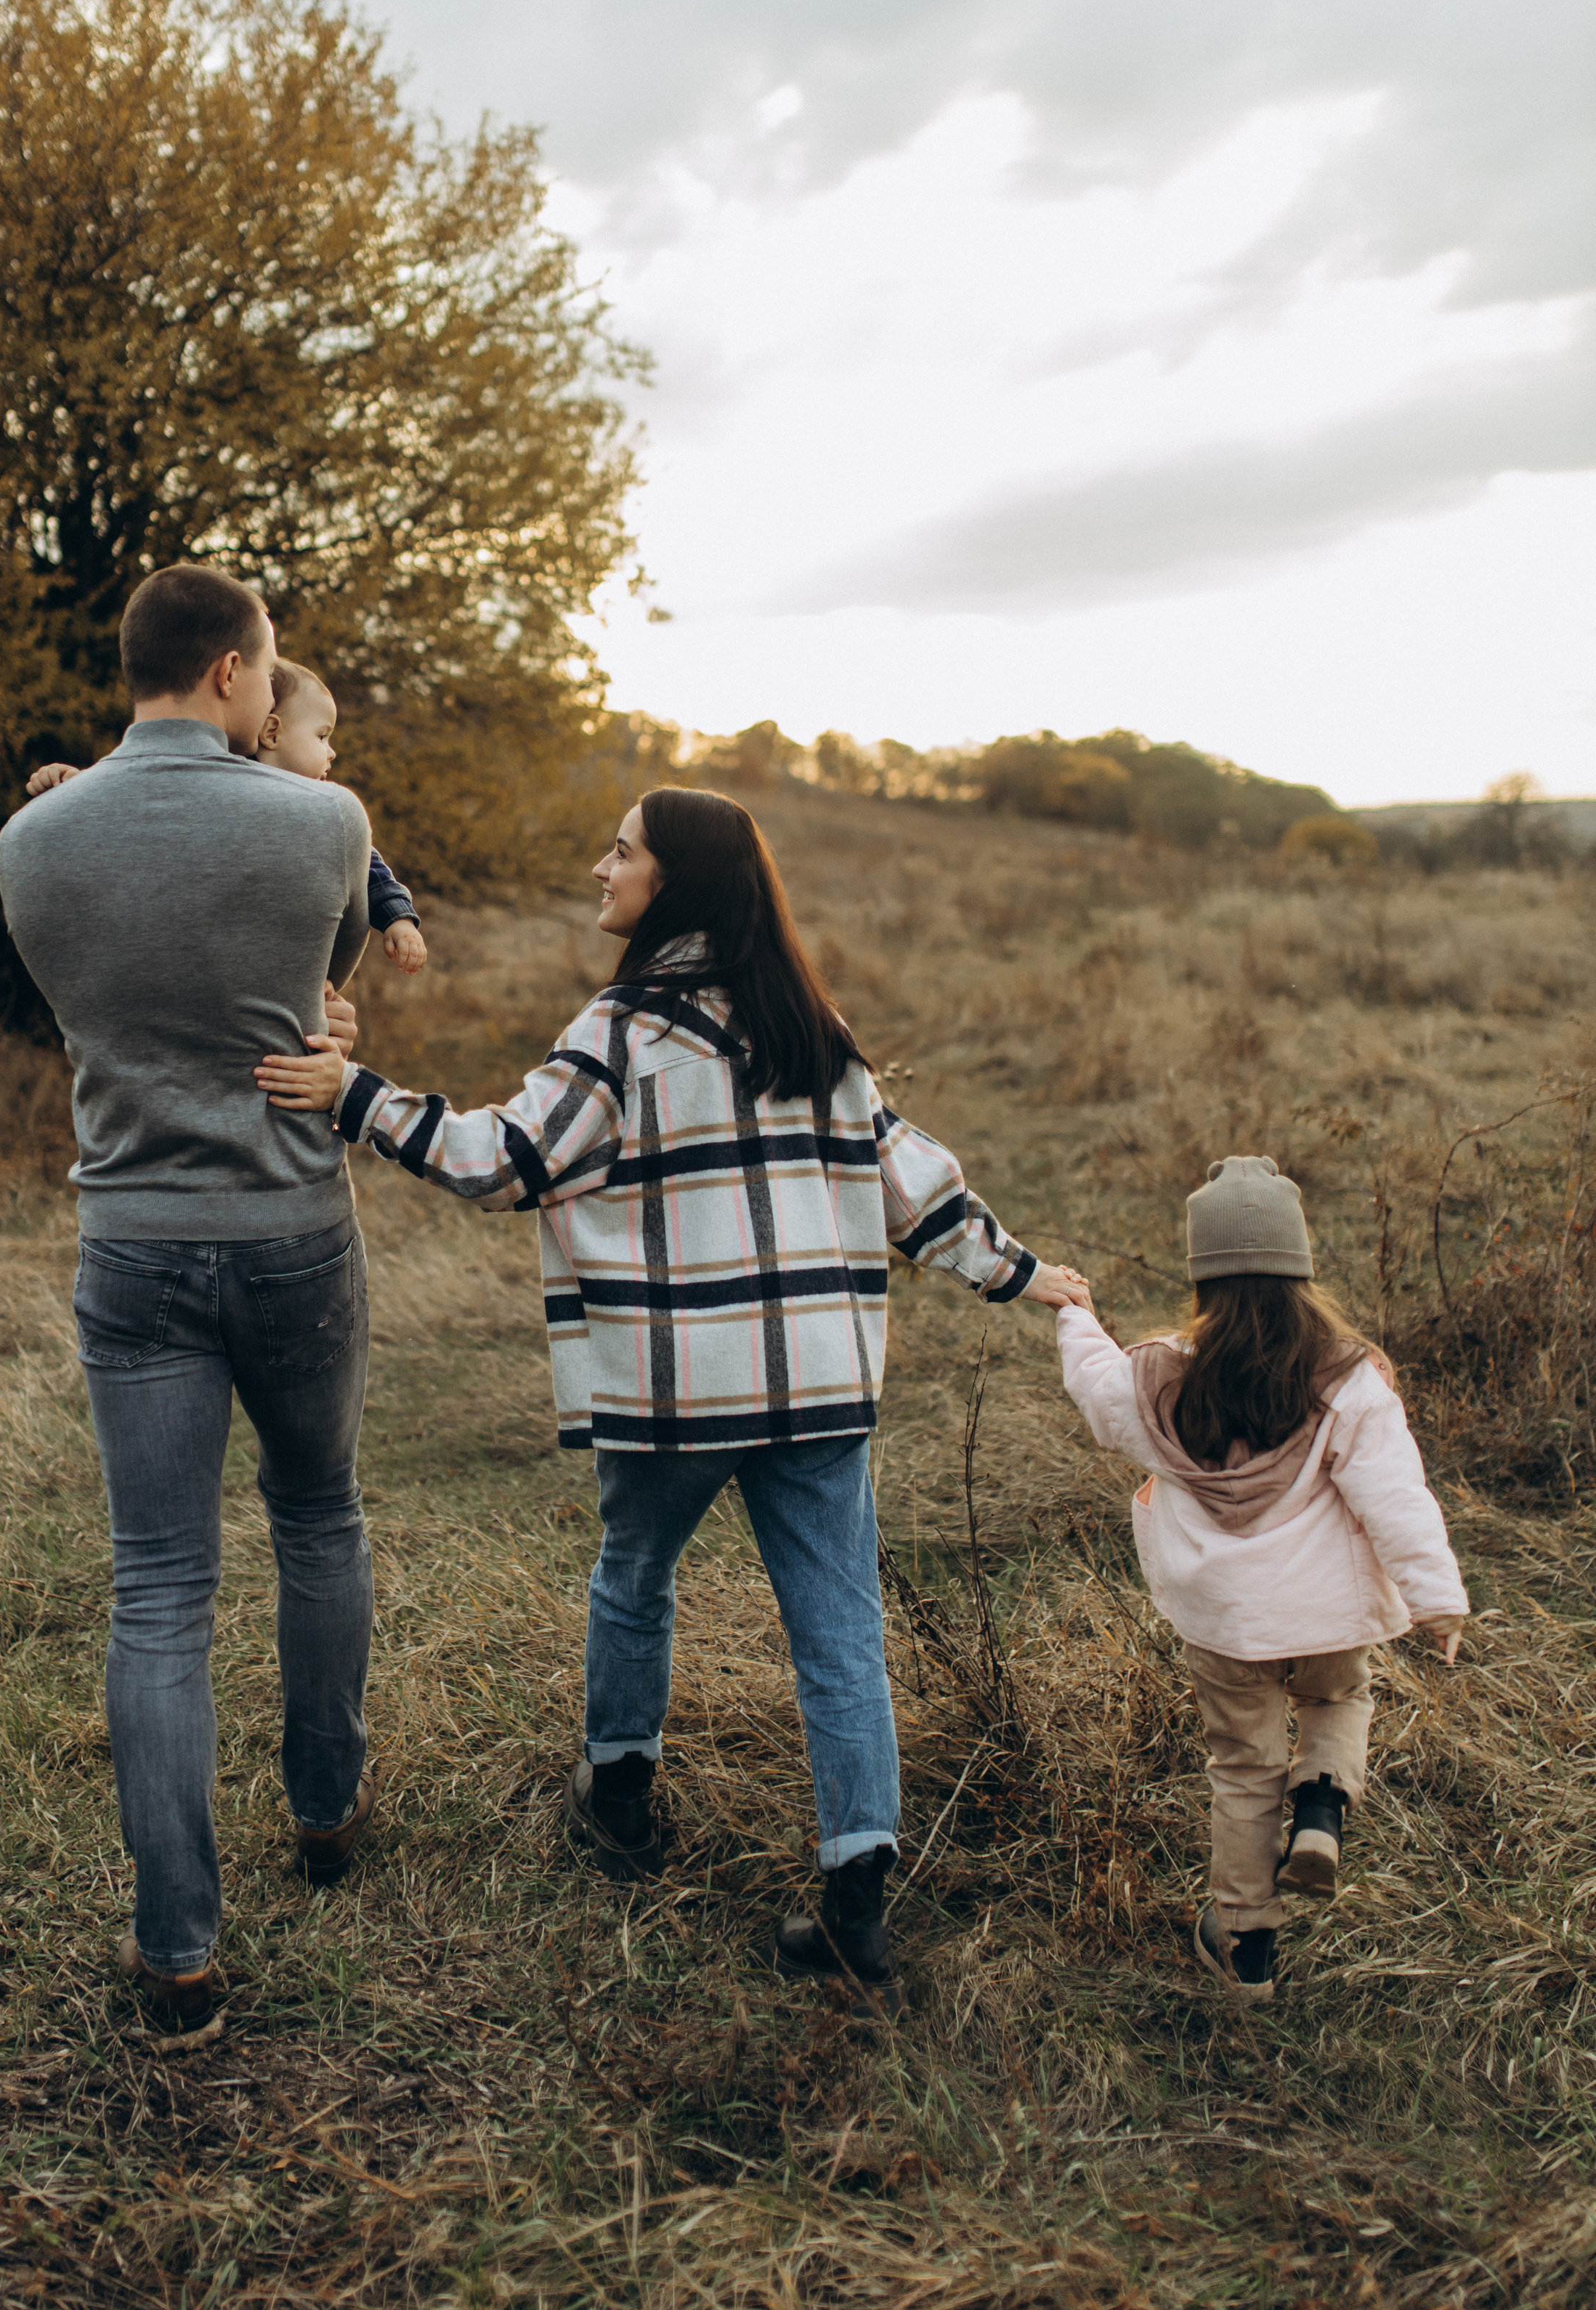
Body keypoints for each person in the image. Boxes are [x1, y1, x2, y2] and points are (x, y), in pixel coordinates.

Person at [254, 786, 1090, 2014]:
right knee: (841, 1636)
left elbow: (506, 1163)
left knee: (634, 1577)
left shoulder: (624, 1032)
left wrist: (357, 1097)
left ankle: (621, 1801)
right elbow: (914, 1184)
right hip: (819, 1386)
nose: (603, 869)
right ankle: (856, 1900)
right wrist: (1021, 1274)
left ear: (675, 883)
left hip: (678, 1391)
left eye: (623, 852)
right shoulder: (812, 1024)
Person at [0, 562, 379, 2032]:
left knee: (156, 1588)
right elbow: (327, 984)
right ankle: (326, 1806)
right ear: (231, 672)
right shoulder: (323, 820)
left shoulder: (34, 843)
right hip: (289, 1225)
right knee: (318, 1511)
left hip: (131, 1240)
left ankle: (179, 1955)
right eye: (269, 670)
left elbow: (79, 1008)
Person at [1056, 1155, 1469, 2003]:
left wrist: (1074, 1312)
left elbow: (1096, 1390)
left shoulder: (1165, 1376)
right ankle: (1321, 1808)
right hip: (1327, 1616)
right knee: (1338, 1701)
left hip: (1224, 1623)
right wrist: (1436, 1598)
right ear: (1302, 1270)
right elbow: (1395, 1496)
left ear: (1202, 1279)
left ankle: (1245, 1949)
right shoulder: (1346, 1380)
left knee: (1243, 1768)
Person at [27, 654, 430, 977]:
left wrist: (398, 919)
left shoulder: (323, 810)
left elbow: (369, 866)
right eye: (322, 736)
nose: (332, 751)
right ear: (272, 733)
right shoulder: (216, 780)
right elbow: (140, 800)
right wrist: (76, 785)